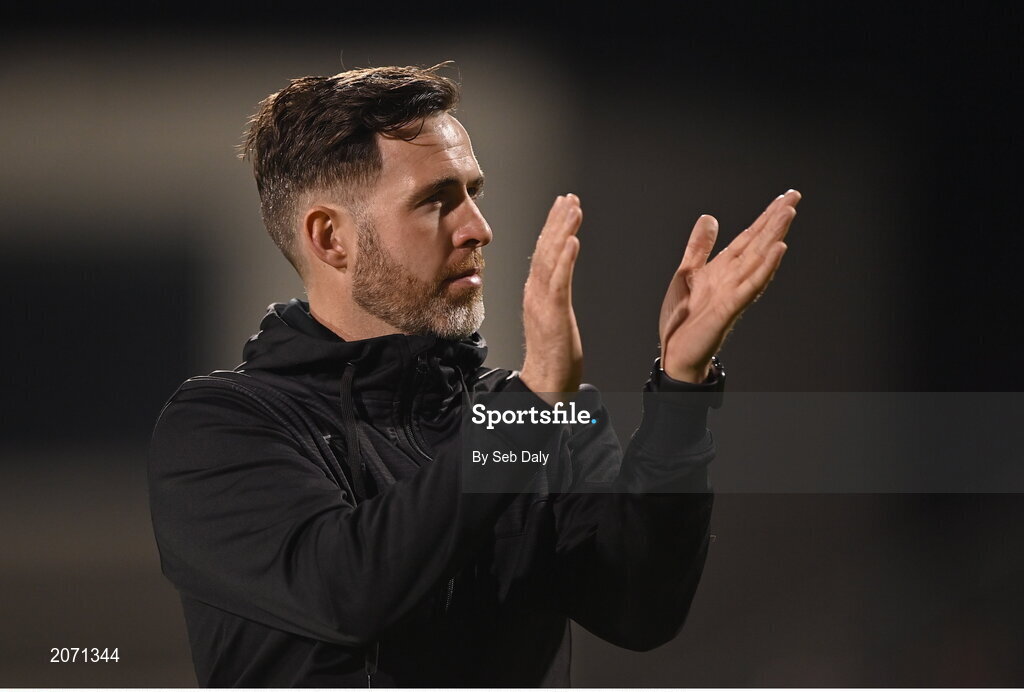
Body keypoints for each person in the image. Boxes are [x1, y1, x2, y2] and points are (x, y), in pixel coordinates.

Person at [148, 64, 801, 687]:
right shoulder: (221, 427)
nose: (478, 229)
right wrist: (530, 406)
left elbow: (639, 608)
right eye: (436, 201)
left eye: (473, 194)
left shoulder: (539, 416)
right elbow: (348, 590)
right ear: (330, 239)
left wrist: (682, 389)